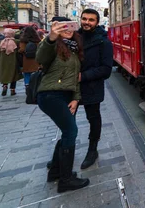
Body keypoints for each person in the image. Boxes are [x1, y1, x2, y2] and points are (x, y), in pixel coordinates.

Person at [37, 18, 90, 192]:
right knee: (71, 131)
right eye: (63, 27)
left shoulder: (73, 49)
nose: (68, 30)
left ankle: (55, 172)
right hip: (51, 94)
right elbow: (41, 57)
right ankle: (65, 180)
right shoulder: (52, 46)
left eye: (71, 27)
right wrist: (51, 37)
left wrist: (76, 98)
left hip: (67, 96)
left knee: (67, 132)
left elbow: (75, 77)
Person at [76, 9, 113, 169]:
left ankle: (92, 150)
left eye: (91, 20)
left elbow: (106, 69)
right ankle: (61, 152)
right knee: (67, 120)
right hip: (72, 88)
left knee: (93, 118)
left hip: (91, 86)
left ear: (97, 22)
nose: (87, 22)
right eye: (84, 19)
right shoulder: (73, 38)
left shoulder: (104, 42)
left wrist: (82, 76)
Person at [0, 28, 22, 96]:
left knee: (5, 74)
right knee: (14, 75)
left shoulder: (1, 42)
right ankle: (12, 90)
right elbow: (19, 52)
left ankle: (5, 86)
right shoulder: (17, 41)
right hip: (13, 61)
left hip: (3, 61)